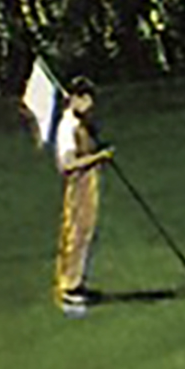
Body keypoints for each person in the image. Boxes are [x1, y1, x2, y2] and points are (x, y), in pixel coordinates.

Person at [53, 78, 115, 318]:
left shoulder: (81, 123)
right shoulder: (67, 126)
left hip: (89, 183)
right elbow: (67, 164)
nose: (90, 105)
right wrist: (99, 157)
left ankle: (77, 282)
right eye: (86, 99)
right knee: (76, 234)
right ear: (76, 98)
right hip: (78, 185)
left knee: (87, 232)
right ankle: (69, 288)